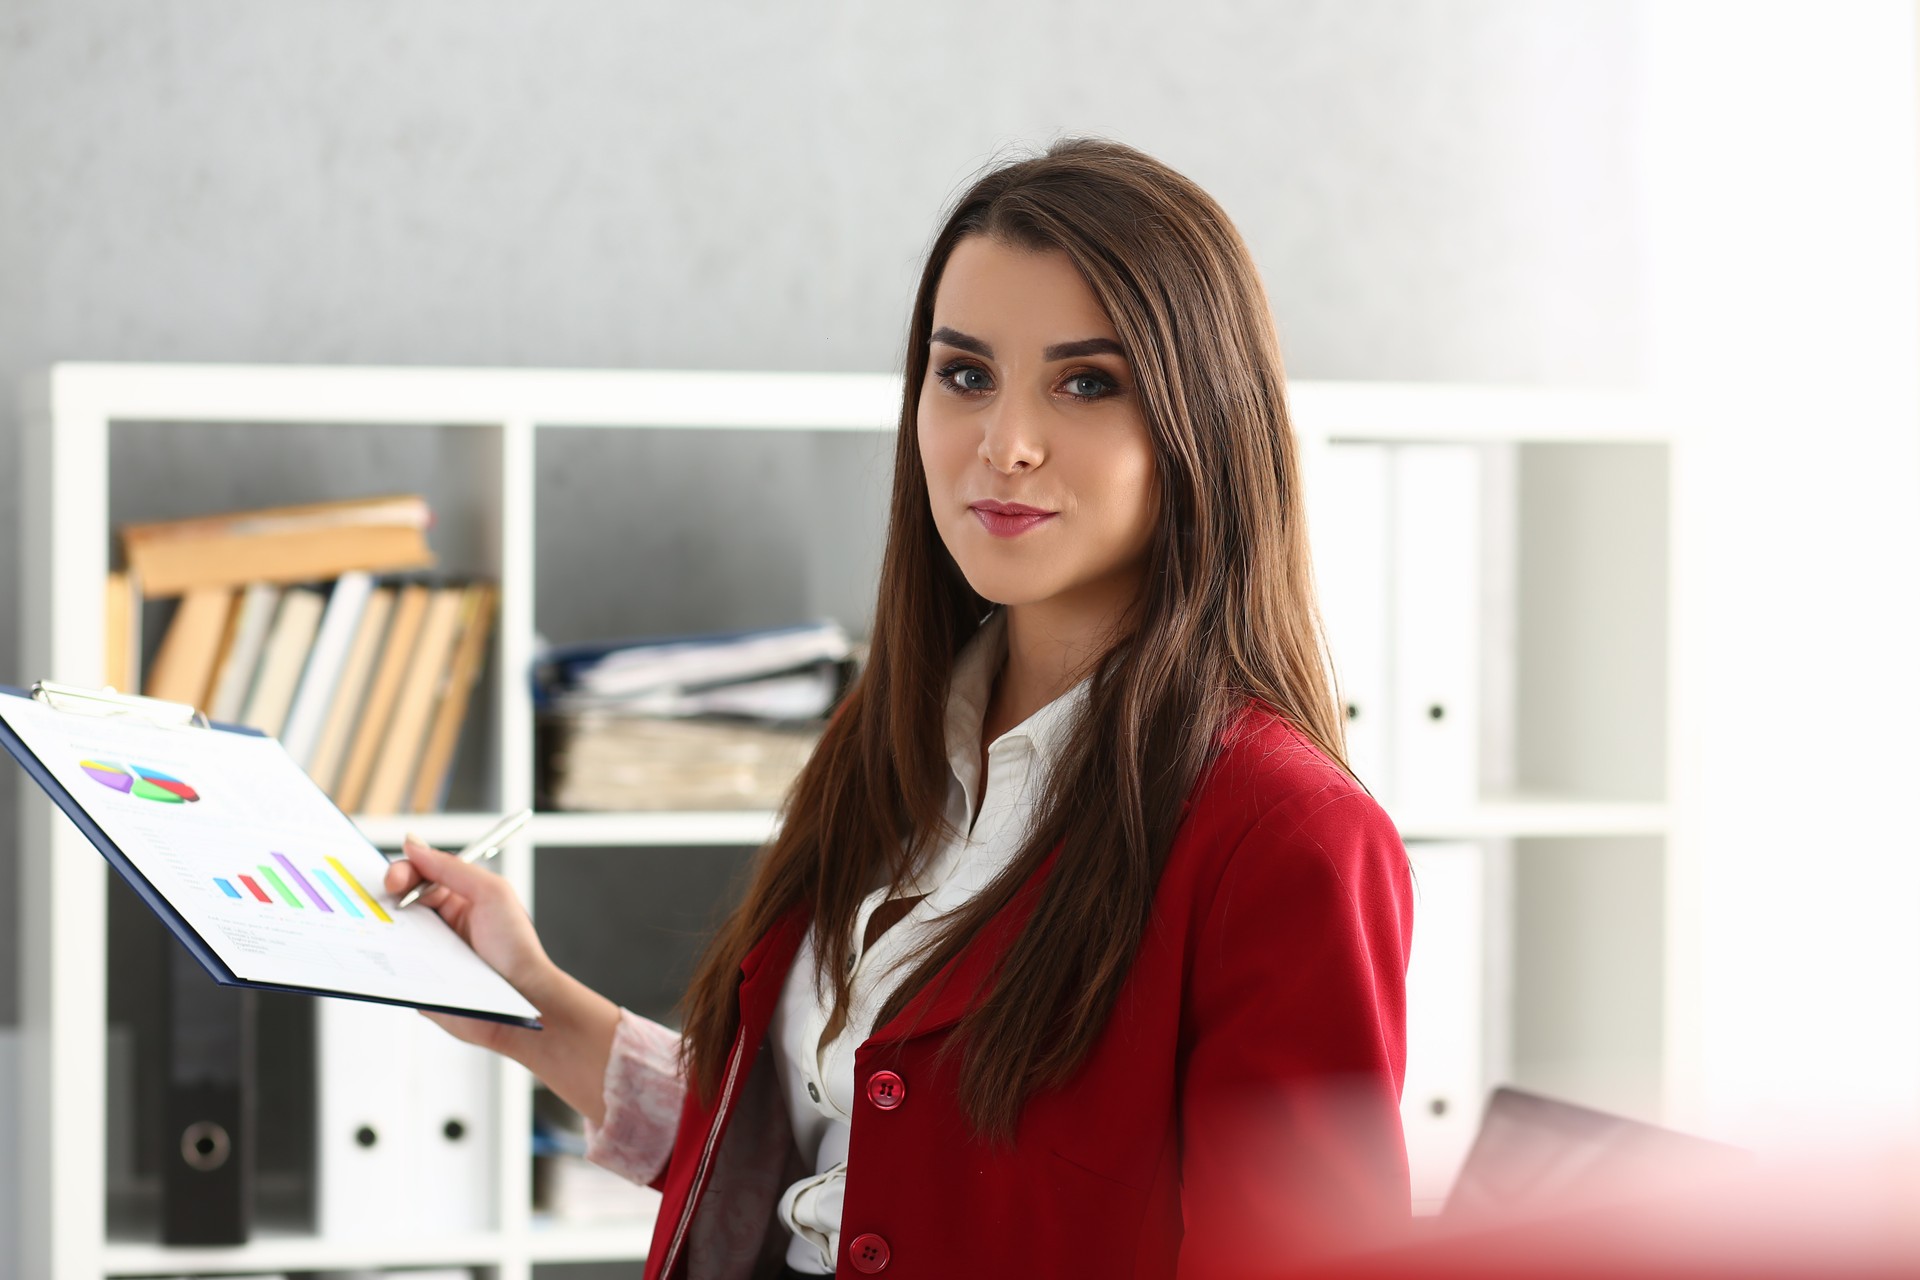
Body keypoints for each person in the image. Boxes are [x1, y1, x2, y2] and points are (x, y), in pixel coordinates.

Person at [388, 136, 1415, 1280]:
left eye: (1086, 382)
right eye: (965, 373)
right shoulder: (891, 739)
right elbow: (828, 1153)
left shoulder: (1282, 837)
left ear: (1201, 424)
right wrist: (523, 998)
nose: (1003, 445)